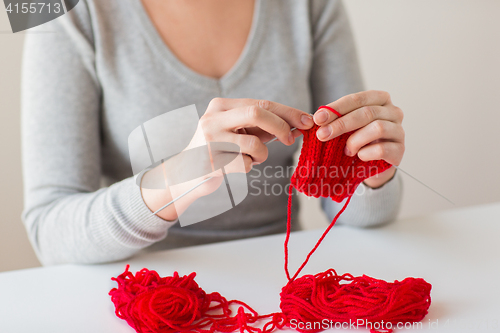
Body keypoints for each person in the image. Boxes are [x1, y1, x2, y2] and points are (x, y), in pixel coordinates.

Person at [21, 0, 405, 265]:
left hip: (284, 288)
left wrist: (372, 170)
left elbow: (361, 216)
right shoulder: (61, 12)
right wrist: (177, 178)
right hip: (149, 302)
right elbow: (49, 229)